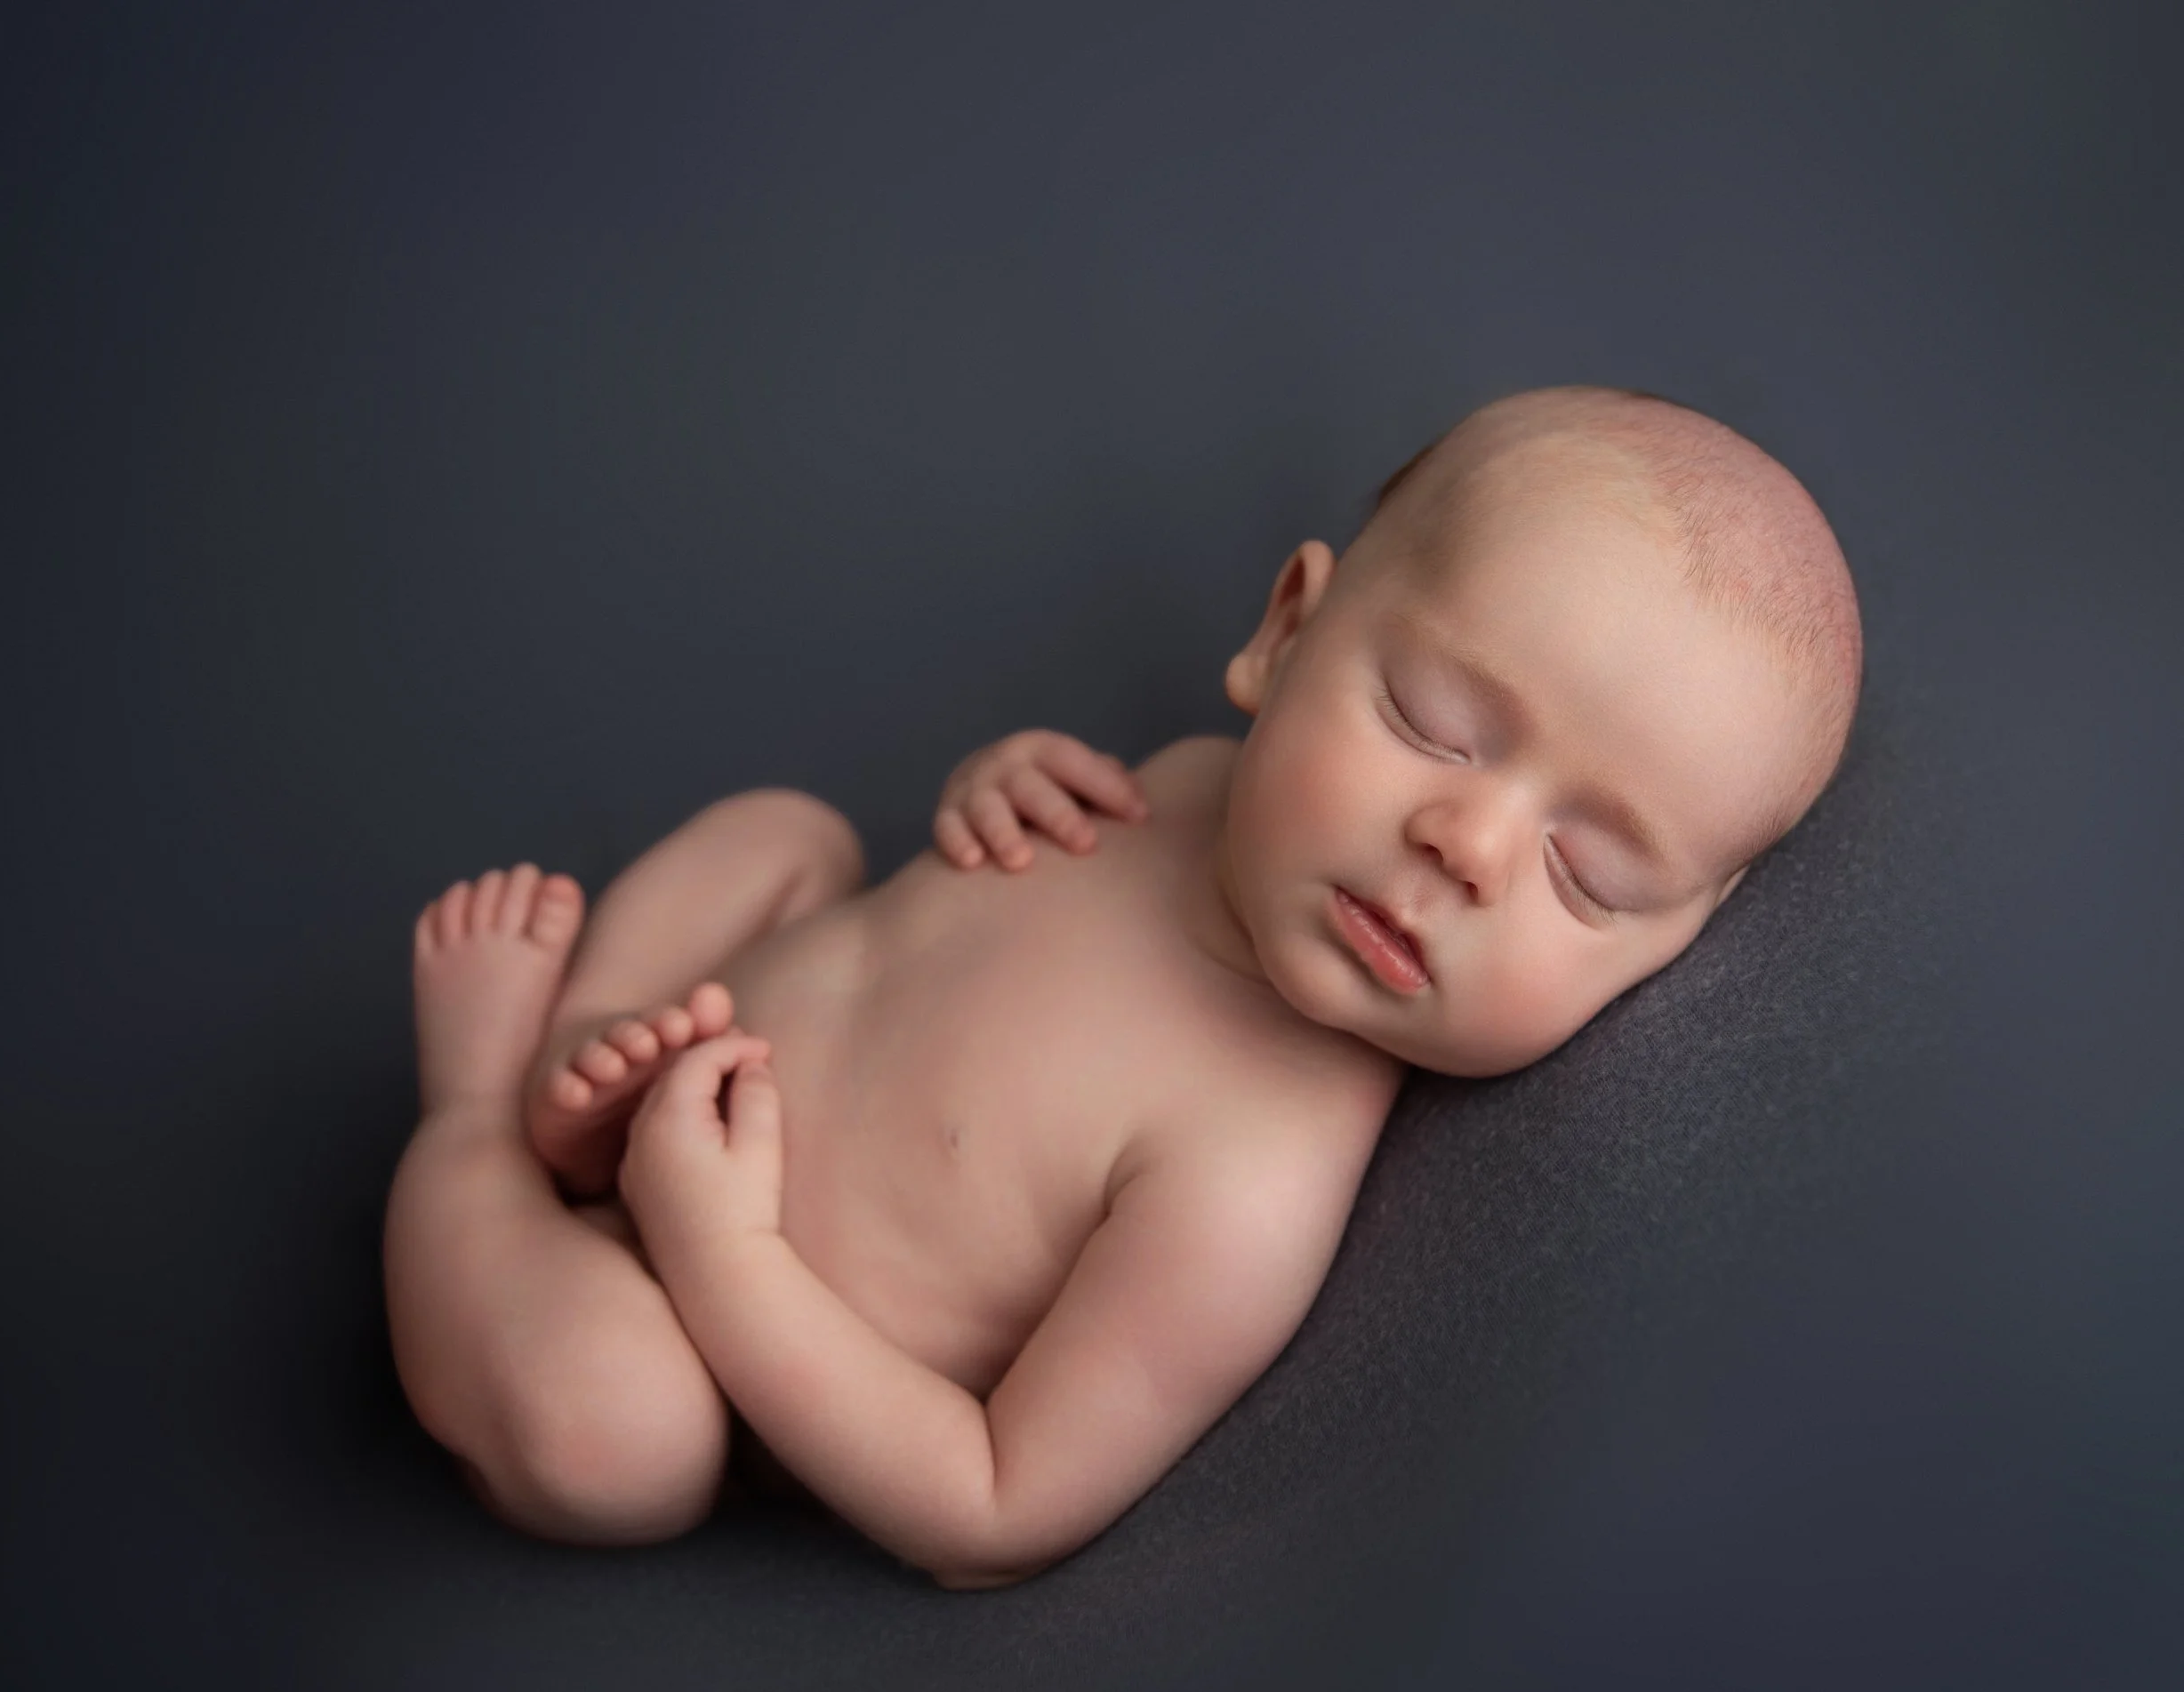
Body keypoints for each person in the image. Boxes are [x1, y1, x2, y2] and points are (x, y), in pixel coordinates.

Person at [382, 385, 1861, 1588]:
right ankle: (580, 1047)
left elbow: (994, 1508)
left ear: (1667, 953)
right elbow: (954, 933)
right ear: (1285, 633)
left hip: (671, 1311)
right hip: (689, 1050)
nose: (1465, 846)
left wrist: (720, 1258)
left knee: (614, 1439)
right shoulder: (1179, 787)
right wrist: (993, 791)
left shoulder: (1251, 1176)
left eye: (1587, 877)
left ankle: (468, 1127)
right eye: (1433, 720)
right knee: (792, 833)